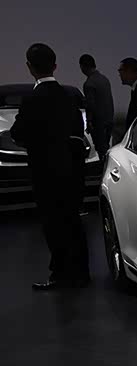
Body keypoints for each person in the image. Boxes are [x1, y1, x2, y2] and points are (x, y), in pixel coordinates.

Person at [10, 43, 90, 290]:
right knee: (74, 222)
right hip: (72, 169)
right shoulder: (69, 96)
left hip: (45, 171)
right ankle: (81, 274)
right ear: (55, 66)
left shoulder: (31, 100)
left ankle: (60, 275)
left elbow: (17, 133)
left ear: (29, 67)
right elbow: (78, 131)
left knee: (53, 225)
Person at [79, 54, 114, 165]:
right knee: (106, 149)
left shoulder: (89, 83)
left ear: (82, 66)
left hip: (98, 123)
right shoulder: (105, 80)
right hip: (109, 120)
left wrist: (89, 122)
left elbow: (90, 105)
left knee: (100, 151)